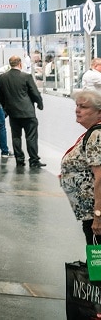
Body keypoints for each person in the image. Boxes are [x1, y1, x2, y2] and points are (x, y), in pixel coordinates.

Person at [60, 90, 101, 243]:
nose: (77, 110)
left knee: (97, 253)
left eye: (83, 107)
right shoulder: (92, 133)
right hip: (89, 212)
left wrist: (98, 216)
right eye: (77, 106)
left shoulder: (97, 135)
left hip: (94, 213)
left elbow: (100, 178)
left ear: (99, 112)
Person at [0, 55, 45, 168]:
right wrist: (40, 104)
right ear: (20, 64)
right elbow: (34, 92)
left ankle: (19, 159)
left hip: (13, 113)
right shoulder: (26, 76)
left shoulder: (2, 78)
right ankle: (33, 160)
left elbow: (0, 95)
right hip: (27, 112)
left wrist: (5, 107)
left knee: (16, 137)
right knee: (31, 136)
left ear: (10, 64)